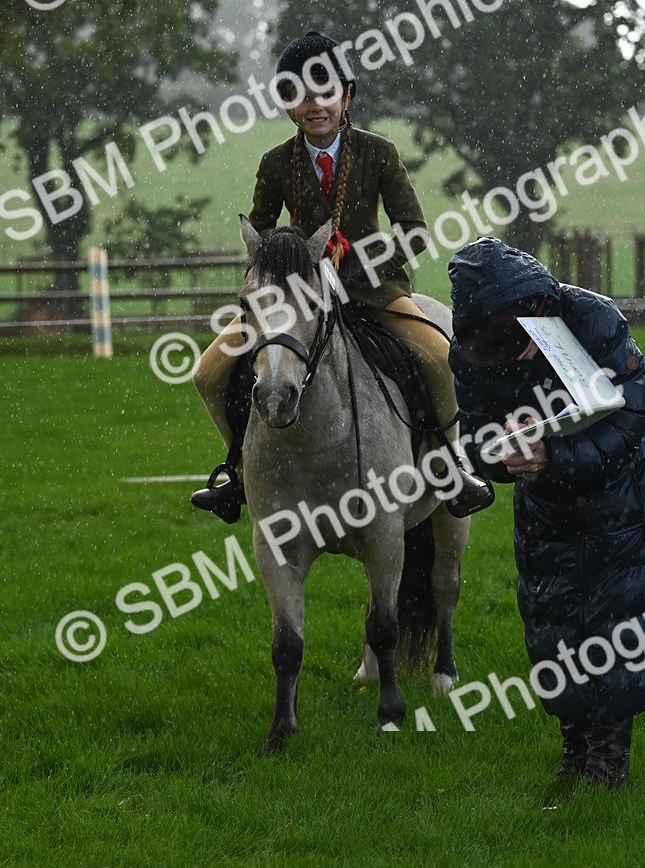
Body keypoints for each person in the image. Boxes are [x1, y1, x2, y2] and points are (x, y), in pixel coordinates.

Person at [191, 30, 493, 523]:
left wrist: (359, 261)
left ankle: (453, 467)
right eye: (300, 94)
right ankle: (239, 474)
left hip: (375, 292)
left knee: (440, 354)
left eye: (326, 90)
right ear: (287, 104)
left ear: (347, 95)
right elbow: (261, 236)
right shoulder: (273, 164)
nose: (315, 104)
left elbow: (414, 231)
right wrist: (295, 258)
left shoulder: (379, 153)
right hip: (296, 299)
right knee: (207, 373)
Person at [447, 236, 645, 788]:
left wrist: (555, 455)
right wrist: (505, 455)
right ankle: (573, 752)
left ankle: (607, 764)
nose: (512, 356)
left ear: (535, 308)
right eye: (495, 344)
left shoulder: (595, 320)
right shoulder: (471, 347)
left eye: (514, 341)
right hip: (545, 509)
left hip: (620, 501)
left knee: (615, 624)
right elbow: (473, 438)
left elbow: (627, 422)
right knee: (556, 625)